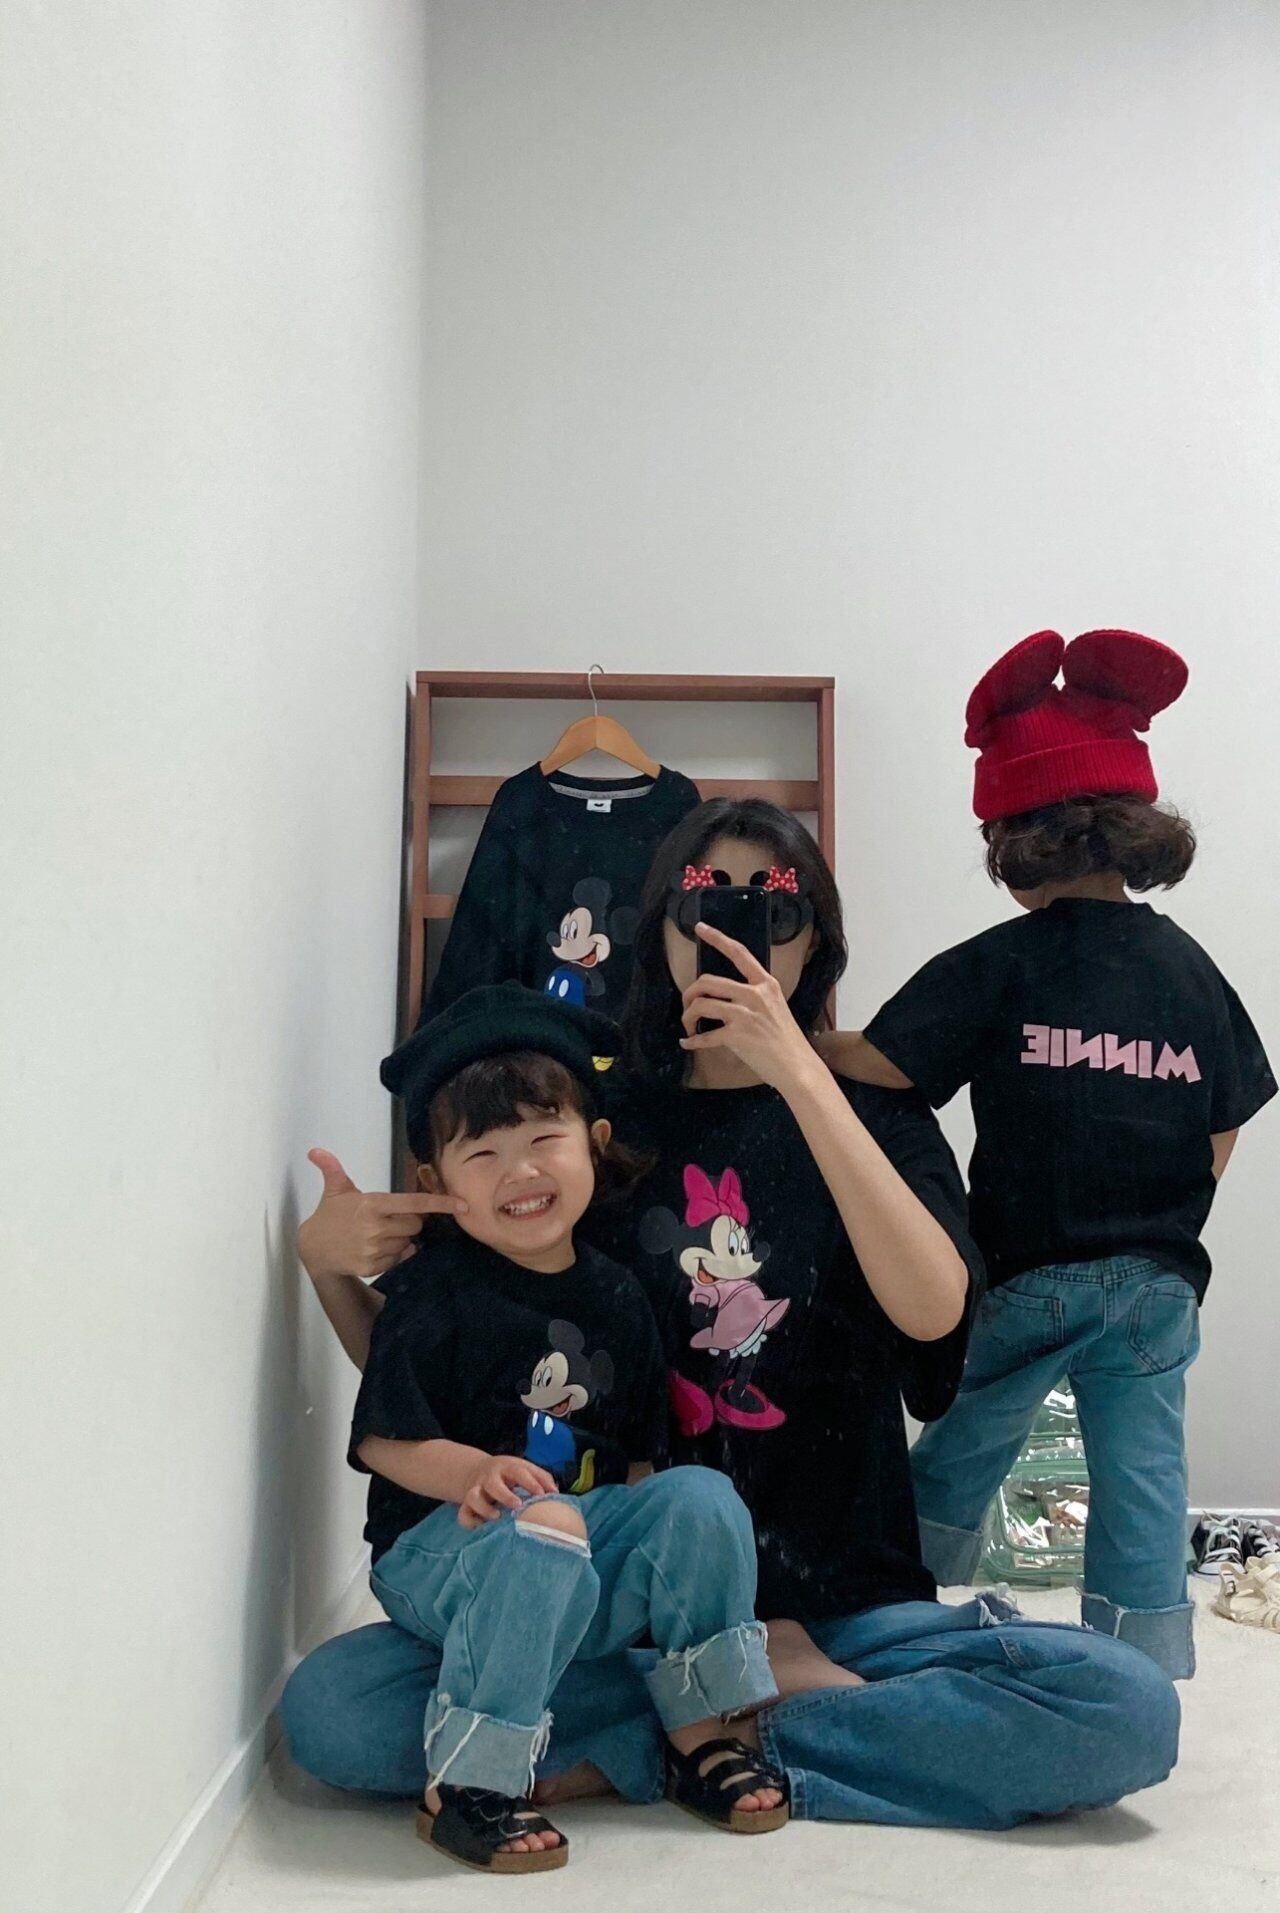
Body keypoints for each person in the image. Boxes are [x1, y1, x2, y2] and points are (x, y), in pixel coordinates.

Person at [283, 798, 1181, 1830]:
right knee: (334, 1710)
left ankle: (679, 1730)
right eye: (702, 900)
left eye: (775, 906)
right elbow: (436, 1370)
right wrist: (327, 1268)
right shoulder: (587, 1126)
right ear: (660, 926)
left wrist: (800, 1071)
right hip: (613, 1608)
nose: (734, 926)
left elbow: (934, 1314)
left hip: (840, 1602)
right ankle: (710, 1722)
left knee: (1124, 1707)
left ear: (816, 940)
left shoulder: (873, 1109)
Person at [818, 629, 1275, 1680]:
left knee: (965, 1439)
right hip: (1158, 1279)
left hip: (1027, 1272)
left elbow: (884, 1063)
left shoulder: (1002, 963)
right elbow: (1232, 1109)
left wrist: (799, 1045)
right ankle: (1138, 1667)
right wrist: (1171, 1206)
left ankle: (887, 1603)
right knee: (1143, 1473)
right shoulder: (1188, 968)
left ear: (1021, 843)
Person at [348, 983, 786, 1873]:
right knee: (540, 1527)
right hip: (440, 1548)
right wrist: (474, 1473)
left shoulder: (618, 1292)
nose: (519, 1172)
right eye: (484, 1152)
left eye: (543, 1139)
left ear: (594, 1142)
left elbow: (637, 1464)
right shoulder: (433, 1290)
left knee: (700, 1497)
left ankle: (700, 1732)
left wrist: (646, 1555)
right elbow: (383, 1439)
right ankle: (467, 1784)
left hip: (574, 1538)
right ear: (436, 1184)